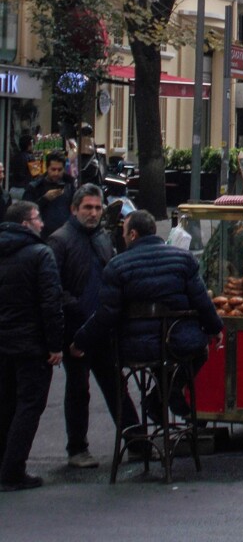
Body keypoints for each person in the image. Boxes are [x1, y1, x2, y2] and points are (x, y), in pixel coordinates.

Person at [73, 209, 223, 421]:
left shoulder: (117, 266)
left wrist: (81, 341)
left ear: (133, 234)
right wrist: (215, 328)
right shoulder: (183, 260)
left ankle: (158, 398)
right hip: (178, 344)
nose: (123, 237)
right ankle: (165, 392)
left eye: (124, 232)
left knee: (118, 362)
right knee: (200, 351)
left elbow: (106, 314)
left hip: (134, 348)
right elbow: (201, 301)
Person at [48, 184, 139, 469]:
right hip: (76, 328)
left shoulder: (102, 238)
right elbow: (53, 287)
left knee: (115, 386)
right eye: (88, 208)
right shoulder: (59, 241)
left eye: (98, 208)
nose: (94, 213)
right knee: (78, 389)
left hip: (102, 326)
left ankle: (136, 442)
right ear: (74, 209)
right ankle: (77, 449)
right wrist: (74, 308)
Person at [0, 201, 63, 491]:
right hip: (30, 344)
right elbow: (51, 303)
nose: (42, 223)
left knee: (6, 403)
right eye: (37, 218)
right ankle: (13, 470)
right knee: (29, 405)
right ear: (26, 223)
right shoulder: (40, 254)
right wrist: (55, 345)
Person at [23, 149, 75, 239]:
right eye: (53, 169)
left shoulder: (70, 186)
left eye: (59, 170)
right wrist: (45, 199)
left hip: (64, 236)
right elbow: (25, 212)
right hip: (41, 236)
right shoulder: (35, 187)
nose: (56, 173)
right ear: (47, 168)